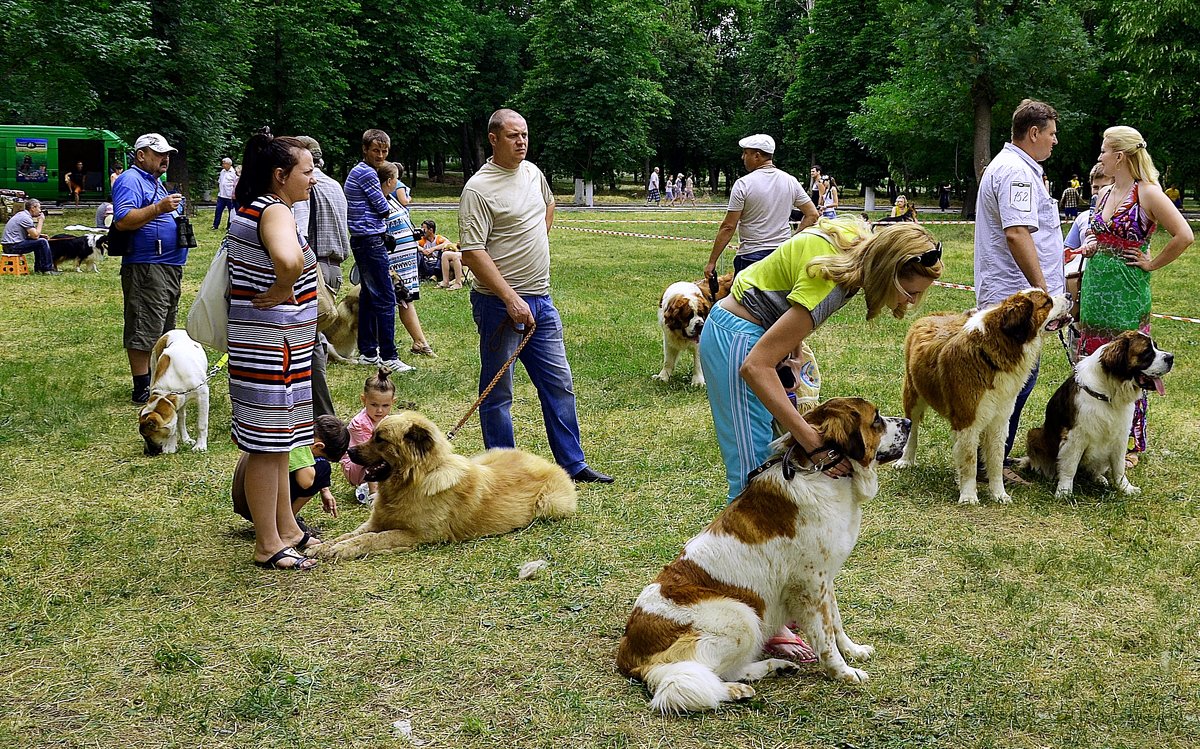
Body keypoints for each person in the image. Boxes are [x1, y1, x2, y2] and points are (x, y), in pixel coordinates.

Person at [698, 217, 943, 662]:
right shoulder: (833, 283)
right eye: (911, 292)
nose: (911, 303)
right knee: (755, 478)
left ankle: (784, 601)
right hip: (738, 343)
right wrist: (808, 436)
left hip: (757, 337)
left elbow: (788, 291)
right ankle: (765, 615)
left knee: (775, 483)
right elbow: (756, 367)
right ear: (889, 268)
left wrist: (793, 354)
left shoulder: (852, 246)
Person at [459, 108, 613, 484]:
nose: (522, 142)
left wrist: (537, 237)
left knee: (559, 383)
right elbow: (472, 252)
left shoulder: (532, 172)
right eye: (513, 136)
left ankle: (573, 465)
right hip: (500, 306)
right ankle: (505, 473)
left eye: (525, 135)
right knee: (499, 391)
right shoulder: (478, 189)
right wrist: (511, 298)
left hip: (541, 300)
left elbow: (549, 204)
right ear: (494, 139)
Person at [226, 127, 321, 570]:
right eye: (307, 169)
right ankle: (268, 542)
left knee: (281, 441)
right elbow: (288, 260)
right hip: (272, 346)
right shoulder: (274, 211)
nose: (314, 177)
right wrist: (286, 286)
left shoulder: (256, 206)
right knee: (267, 445)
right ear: (280, 175)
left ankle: (287, 528)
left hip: (273, 344)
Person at [1078, 125, 1194, 468]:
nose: (1099, 157)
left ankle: (1127, 443)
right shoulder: (1105, 191)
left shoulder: (1149, 193)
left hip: (1127, 293)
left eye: (1104, 150)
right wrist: (1094, 245)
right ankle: (1091, 435)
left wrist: (1152, 262)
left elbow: (1184, 234)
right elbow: (1101, 232)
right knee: (1094, 364)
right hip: (1096, 290)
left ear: (1120, 155)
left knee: (1132, 363)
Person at [973, 98, 1065, 479]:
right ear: (1033, 133)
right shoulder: (1017, 173)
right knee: (1009, 383)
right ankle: (987, 463)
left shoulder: (1012, 167)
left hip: (1010, 293)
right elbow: (1016, 233)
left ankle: (991, 455)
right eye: (1051, 134)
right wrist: (1042, 294)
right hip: (1016, 299)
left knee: (1008, 381)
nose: (1054, 142)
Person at [111, 133, 187, 404]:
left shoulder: (155, 181)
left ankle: (158, 379)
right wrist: (159, 208)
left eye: (167, 154)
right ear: (141, 155)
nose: (165, 158)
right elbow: (123, 220)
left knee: (164, 323)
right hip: (147, 264)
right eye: (159, 154)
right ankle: (141, 386)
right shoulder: (130, 180)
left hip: (167, 264)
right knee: (144, 322)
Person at [292, 135, 351, 419]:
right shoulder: (334, 185)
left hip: (312, 268)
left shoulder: (307, 188)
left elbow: (299, 234)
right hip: (334, 267)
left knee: (309, 339)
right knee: (313, 337)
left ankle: (320, 413)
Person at [705, 134, 819, 280]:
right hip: (782, 256)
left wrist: (711, 262)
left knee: (744, 302)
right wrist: (792, 240)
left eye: (746, 153)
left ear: (757, 156)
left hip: (751, 257)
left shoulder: (743, 184)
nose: (742, 157)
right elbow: (812, 215)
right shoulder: (790, 181)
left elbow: (728, 226)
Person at [345, 129, 410, 373]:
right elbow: (383, 208)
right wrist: (389, 186)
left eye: (384, 151)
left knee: (370, 297)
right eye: (376, 150)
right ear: (365, 149)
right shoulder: (367, 174)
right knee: (385, 297)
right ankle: (389, 356)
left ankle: (369, 352)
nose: (380, 155)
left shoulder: (360, 171)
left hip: (363, 239)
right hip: (370, 239)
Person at [233, 414, 350, 525]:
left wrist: (324, 490)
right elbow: (306, 482)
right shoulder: (301, 446)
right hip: (256, 507)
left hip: (246, 500)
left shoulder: (298, 428)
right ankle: (285, 523)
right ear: (319, 446)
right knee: (323, 468)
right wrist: (320, 474)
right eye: (320, 456)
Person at [379, 161, 434, 359]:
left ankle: (419, 342)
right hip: (393, 260)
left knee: (405, 298)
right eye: (396, 177)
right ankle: (416, 342)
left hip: (406, 260)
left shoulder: (391, 199)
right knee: (399, 300)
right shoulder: (379, 200)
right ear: (389, 180)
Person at [341, 367, 397, 504]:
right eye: (374, 405)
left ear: (393, 402)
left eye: (385, 405)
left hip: (377, 461)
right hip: (356, 464)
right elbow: (368, 456)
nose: (379, 410)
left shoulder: (388, 421)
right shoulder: (359, 424)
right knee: (375, 454)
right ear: (363, 400)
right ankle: (372, 492)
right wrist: (374, 495)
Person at [2, 199, 58, 275]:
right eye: (39, 208)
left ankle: (39, 268)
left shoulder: (22, 215)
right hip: (12, 246)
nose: (40, 211)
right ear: (33, 208)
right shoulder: (25, 218)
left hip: (9, 245)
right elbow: (35, 236)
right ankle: (47, 269)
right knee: (42, 242)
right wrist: (41, 221)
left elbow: (30, 235)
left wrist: (40, 235)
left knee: (40, 241)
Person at [418, 219, 464, 288]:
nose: (422, 231)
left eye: (424, 229)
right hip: (426, 266)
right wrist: (423, 250)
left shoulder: (439, 239)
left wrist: (433, 249)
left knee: (443, 251)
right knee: (418, 253)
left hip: (438, 267)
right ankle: (421, 275)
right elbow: (413, 245)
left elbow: (449, 243)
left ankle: (436, 275)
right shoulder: (422, 240)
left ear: (431, 230)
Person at [213, 157, 238, 230]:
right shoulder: (222, 171)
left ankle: (229, 226)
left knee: (231, 212)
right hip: (221, 195)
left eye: (224, 163)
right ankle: (215, 225)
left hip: (229, 196)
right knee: (218, 210)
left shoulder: (234, 173)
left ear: (229, 164)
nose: (223, 165)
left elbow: (235, 184)